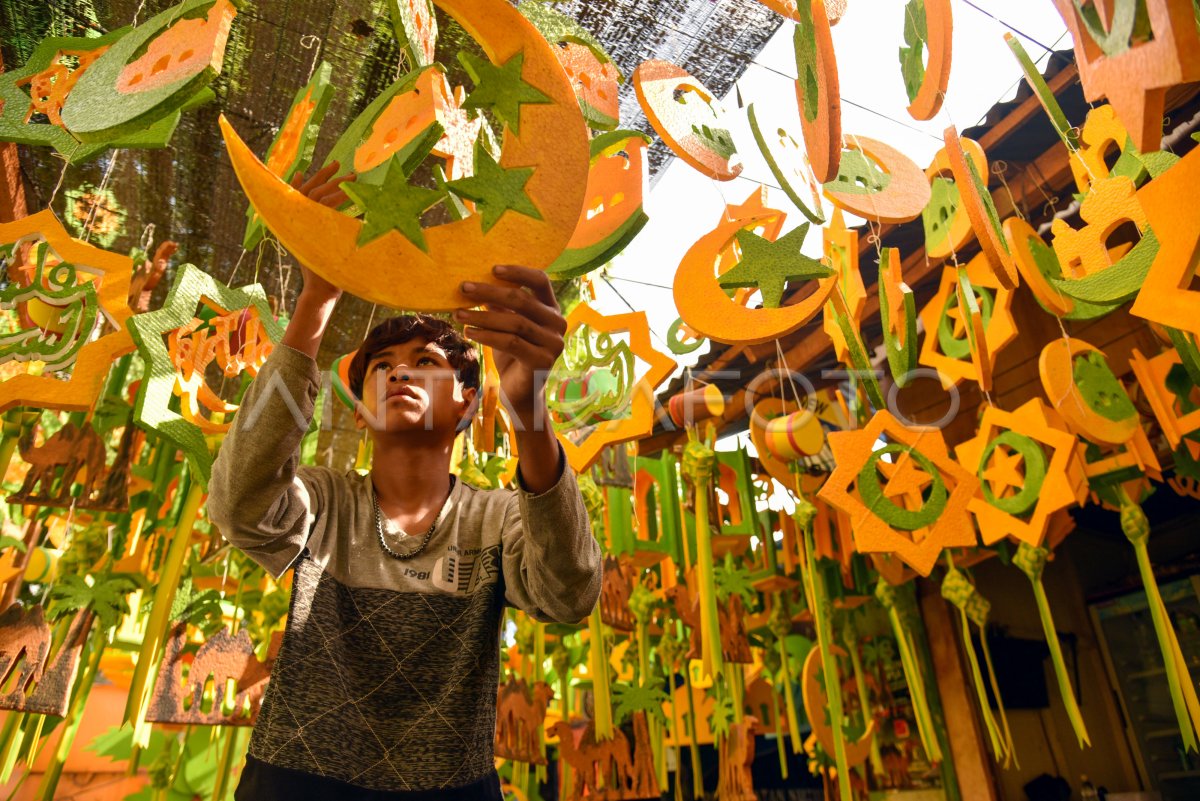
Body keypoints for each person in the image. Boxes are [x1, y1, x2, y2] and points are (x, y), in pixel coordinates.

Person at [207, 163, 603, 800]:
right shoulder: (323, 502)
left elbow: (570, 594)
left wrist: (528, 405)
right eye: (382, 365)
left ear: (469, 403)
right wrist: (314, 303)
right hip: (293, 783)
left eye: (426, 362)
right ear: (359, 405)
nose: (399, 373)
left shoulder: (497, 518)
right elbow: (237, 505)